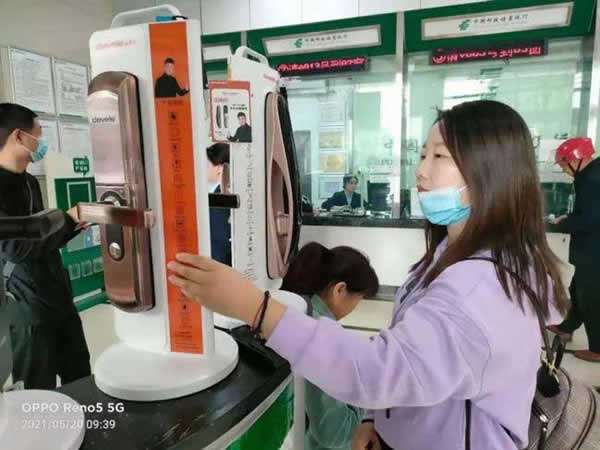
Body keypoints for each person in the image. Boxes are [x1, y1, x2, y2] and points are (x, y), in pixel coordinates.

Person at [166, 100, 568, 450]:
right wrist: (376, 419)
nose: (421, 171)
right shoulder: (449, 254)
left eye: (439, 157)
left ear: (489, 172)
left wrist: (256, 308)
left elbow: (377, 370)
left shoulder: (480, 292)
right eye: (422, 154)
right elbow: (410, 354)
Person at [0, 103, 91, 389]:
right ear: (18, 136)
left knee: (80, 374)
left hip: (57, 295)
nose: (41, 142)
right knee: (38, 389)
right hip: (26, 306)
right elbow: (15, 248)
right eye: (38, 134)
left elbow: (41, 238)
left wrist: (73, 225)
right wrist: (66, 220)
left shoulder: (29, 182)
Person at [281, 242, 379, 450]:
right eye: (359, 299)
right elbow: (334, 433)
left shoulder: (295, 309)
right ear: (340, 290)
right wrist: (366, 401)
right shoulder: (321, 337)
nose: (356, 307)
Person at [548, 137, 600, 362]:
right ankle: (567, 327)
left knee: (591, 297)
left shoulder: (593, 180)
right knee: (579, 289)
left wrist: (563, 224)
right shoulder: (590, 175)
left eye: (563, 163)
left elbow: (590, 220)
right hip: (591, 248)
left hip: (595, 250)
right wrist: (569, 217)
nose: (562, 168)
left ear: (576, 159)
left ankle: (598, 348)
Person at [207, 143, 231, 266]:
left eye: (207, 164)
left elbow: (218, 246)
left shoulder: (219, 202)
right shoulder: (221, 196)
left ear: (219, 168)